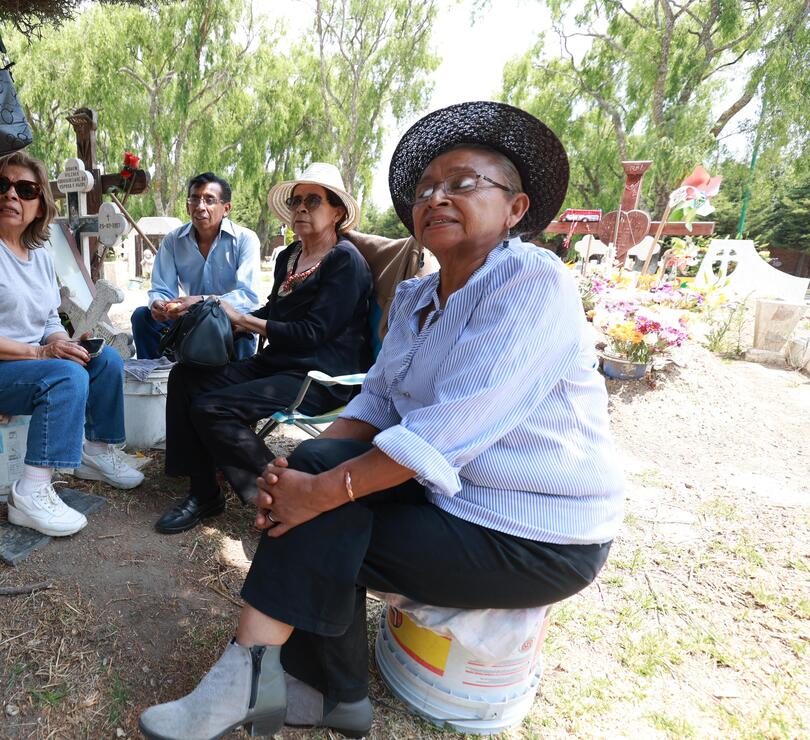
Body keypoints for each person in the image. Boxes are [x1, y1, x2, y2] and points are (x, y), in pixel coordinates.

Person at [137, 102, 623, 740]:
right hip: (448, 497)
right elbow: (376, 404)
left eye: (464, 183)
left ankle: (274, 680)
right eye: (427, 189)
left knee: (324, 515)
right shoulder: (421, 296)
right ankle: (329, 696)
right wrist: (292, 474)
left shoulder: (532, 281)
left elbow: (441, 431)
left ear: (516, 208)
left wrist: (319, 492)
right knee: (307, 490)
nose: (438, 196)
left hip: (531, 528)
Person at [0, 151, 144, 538]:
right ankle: (32, 491)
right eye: (0, 186)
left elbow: (48, 318)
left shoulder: (38, 253)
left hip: (12, 367)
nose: (11, 196)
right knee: (64, 377)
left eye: (25, 190)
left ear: (40, 206)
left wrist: (59, 341)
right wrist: (41, 353)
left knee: (104, 363)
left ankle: (96, 452)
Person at [153, 163, 373, 535]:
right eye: (296, 200)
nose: (300, 208)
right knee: (186, 376)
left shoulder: (344, 261)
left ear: (337, 212)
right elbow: (273, 311)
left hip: (318, 376)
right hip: (276, 364)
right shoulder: (290, 256)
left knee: (212, 407)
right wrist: (222, 316)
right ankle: (203, 490)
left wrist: (241, 318)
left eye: (313, 200)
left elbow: (312, 333)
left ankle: (284, 497)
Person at [131, 173, 260, 360]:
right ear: (187, 206)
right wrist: (159, 304)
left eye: (209, 200)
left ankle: (234, 383)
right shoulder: (173, 241)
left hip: (228, 323)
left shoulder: (244, 240)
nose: (200, 207)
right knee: (143, 317)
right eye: (194, 199)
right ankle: (156, 380)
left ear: (226, 208)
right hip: (188, 323)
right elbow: (162, 288)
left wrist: (201, 302)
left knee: (242, 331)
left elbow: (248, 297)